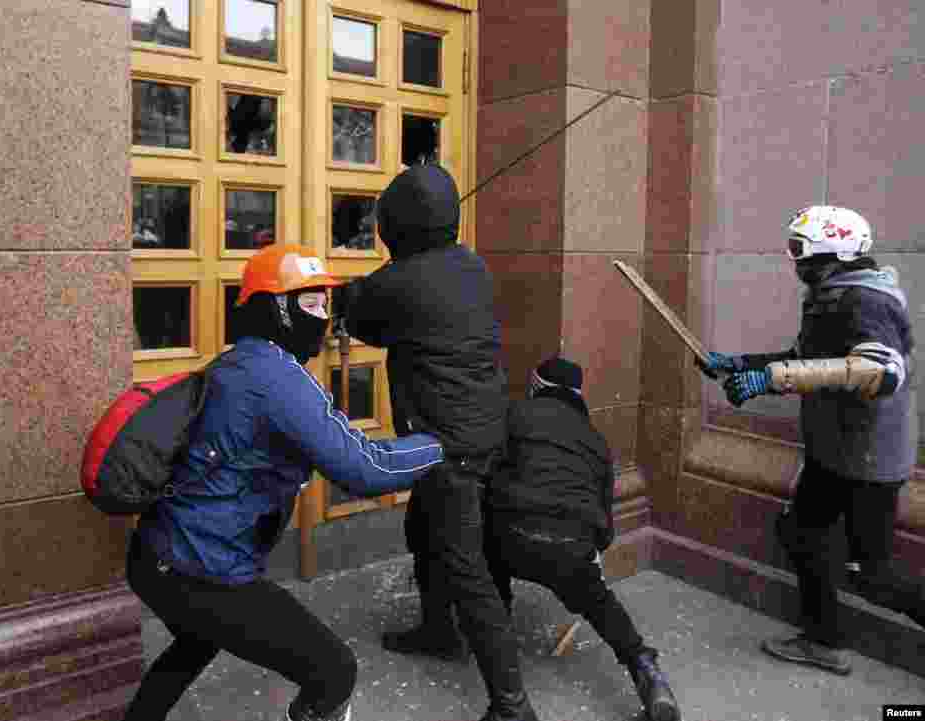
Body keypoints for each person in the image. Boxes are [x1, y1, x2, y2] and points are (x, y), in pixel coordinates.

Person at [123, 244, 446, 721]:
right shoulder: (276, 377)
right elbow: (366, 468)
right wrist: (440, 446)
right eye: (310, 304)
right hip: (202, 570)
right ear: (276, 309)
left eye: (325, 304)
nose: (322, 317)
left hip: (157, 556)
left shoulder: (240, 361)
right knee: (333, 672)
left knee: (198, 641)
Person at [340, 164, 536, 721]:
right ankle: (435, 629)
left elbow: (365, 321)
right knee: (422, 530)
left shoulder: (397, 283)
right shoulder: (471, 267)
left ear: (396, 223)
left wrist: (356, 290)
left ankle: (512, 704)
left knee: (465, 567)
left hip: (449, 445)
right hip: (479, 430)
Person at [701, 205, 924, 675]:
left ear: (833, 253)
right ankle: (823, 641)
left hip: (868, 460)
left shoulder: (866, 301)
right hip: (834, 451)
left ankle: (827, 637)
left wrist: (773, 379)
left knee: (873, 576)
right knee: (801, 533)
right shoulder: (830, 294)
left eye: (799, 250)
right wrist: (743, 364)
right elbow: (804, 357)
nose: (793, 259)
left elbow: (882, 372)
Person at [482, 357, 681, 721]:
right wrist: (588, 554)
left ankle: (500, 643)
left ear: (536, 387)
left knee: (486, 552)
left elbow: (485, 473)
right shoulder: (596, 443)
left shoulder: (513, 414)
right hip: (571, 546)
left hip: (510, 533)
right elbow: (604, 522)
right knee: (598, 601)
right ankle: (647, 671)